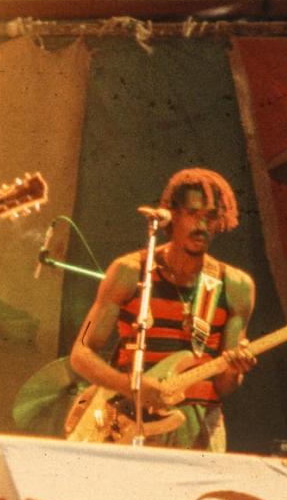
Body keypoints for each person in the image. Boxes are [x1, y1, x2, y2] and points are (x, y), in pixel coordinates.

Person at [69, 169, 256, 450]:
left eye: (210, 217)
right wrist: (130, 385)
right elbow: (81, 352)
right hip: (130, 417)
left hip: (200, 423)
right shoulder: (129, 271)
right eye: (193, 213)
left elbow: (225, 385)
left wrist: (236, 370)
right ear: (173, 214)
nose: (202, 225)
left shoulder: (236, 286)